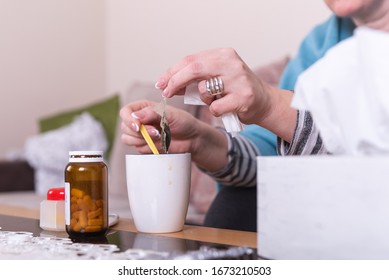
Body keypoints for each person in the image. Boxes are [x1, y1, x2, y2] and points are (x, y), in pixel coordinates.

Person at [120, 0, 388, 231]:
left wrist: (270, 105)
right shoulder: (320, 44)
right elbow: (274, 156)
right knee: (239, 204)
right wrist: (199, 141)